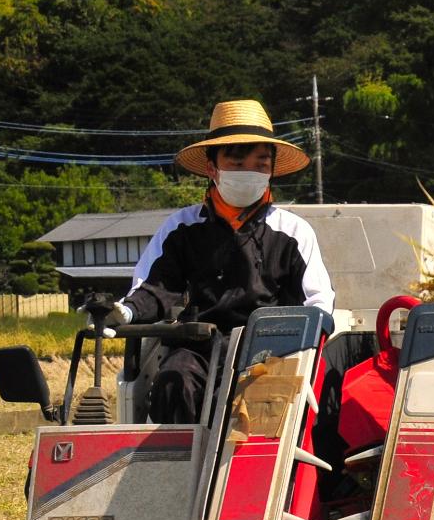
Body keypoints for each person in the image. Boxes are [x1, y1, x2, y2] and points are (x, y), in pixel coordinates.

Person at [95, 100, 334, 423]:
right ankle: (175, 471)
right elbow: (155, 288)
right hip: (198, 347)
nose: (250, 172)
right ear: (212, 168)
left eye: (261, 163)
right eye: (237, 163)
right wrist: (124, 311)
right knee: (172, 381)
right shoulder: (182, 228)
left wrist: (293, 348)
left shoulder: (293, 232)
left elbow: (318, 305)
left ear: (272, 169)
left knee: (262, 401)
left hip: (269, 350)